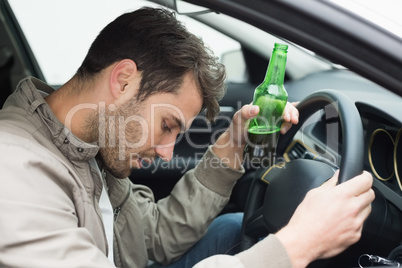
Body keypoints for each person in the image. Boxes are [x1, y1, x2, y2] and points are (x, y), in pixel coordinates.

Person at [0, 7, 374, 268]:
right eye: (167, 124)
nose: (166, 153)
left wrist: (234, 142)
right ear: (124, 80)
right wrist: (298, 245)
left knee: (231, 228)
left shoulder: (90, 143)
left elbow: (154, 236)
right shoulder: (15, 172)